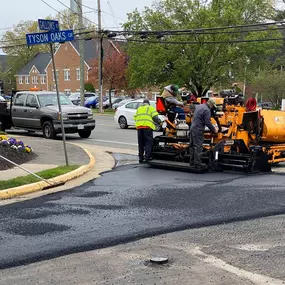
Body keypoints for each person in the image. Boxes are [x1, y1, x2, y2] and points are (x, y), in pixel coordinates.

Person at [189, 98, 218, 168]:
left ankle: (192, 162)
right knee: (198, 146)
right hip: (198, 129)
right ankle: (197, 163)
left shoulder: (199, 106)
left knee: (192, 146)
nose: (212, 108)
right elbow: (207, 122)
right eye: (213, 106)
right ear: (211, 104)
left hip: (192, 128)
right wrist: (214, 130)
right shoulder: (207, 110)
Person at [134, 99, 161, 163]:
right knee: (148, 142)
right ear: (148, 103)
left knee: (141, 143)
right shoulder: (150, 108)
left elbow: (135, 118)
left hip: (139, 127)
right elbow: (155, 118)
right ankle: (147, 157)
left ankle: (140, 158)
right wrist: (159, 122)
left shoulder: (139, 109)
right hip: (147, 127)